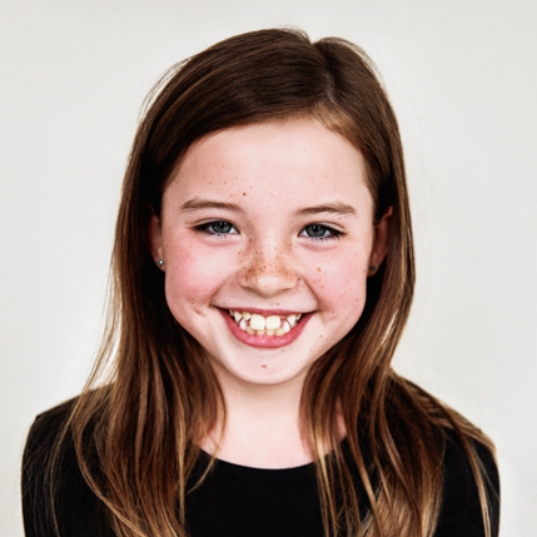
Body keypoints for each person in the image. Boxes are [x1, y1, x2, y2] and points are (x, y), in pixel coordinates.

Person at [21, 28, 499, 537]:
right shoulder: (69, 458)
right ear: (155, 235)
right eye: (218, 226)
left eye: (319, 230)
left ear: (378, 244)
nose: (268, 277)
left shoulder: (448, 468)